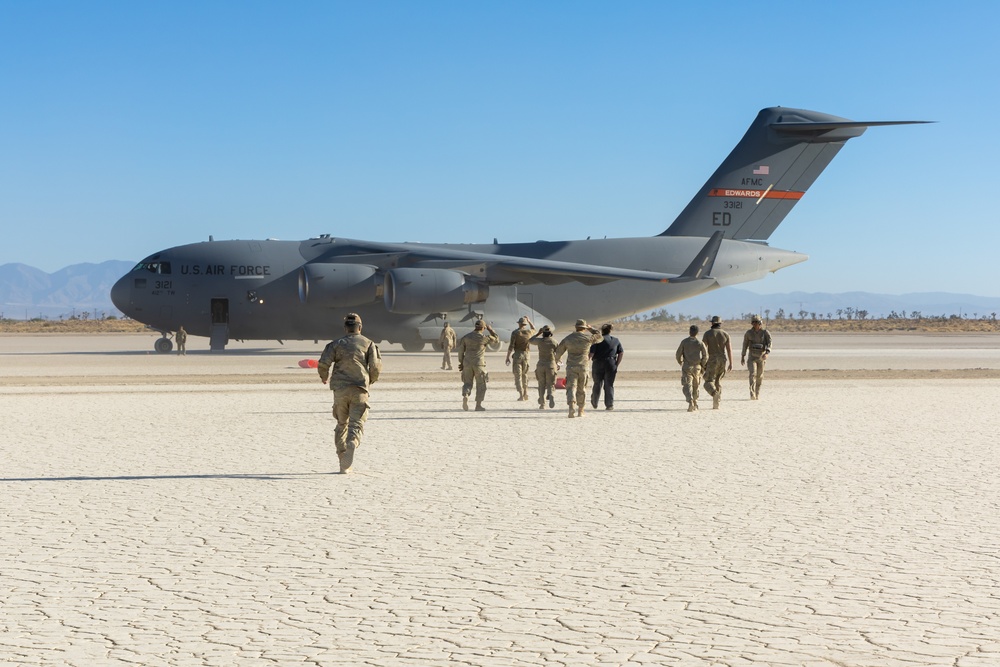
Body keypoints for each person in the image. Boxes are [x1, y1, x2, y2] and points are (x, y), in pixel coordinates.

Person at [317, 312, 382, 474]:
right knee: (356, 423)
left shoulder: (336, 344)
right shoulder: (368, 344)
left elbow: (323, 363)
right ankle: (353, 441)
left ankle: (342, 458)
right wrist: (371, 381)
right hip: (359, 388)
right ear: (360, 327)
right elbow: (375, 366)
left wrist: (324, 377)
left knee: (341, 424)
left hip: (340, 390)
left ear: (346, 328)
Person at [555, 319, 603, 418]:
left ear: (576, 327)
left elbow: (558, 352)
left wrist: (557, 362)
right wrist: (591, 329)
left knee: (571, 387)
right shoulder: (588, 338)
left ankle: (571, 406)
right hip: (583, 366)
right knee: (582, 388)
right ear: (584, 328)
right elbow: (600, 336)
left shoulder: (568, 338)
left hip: (571, 367)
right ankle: (581, 410)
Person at [457, 318, 500, 411]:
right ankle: (478, 405)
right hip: (479, 364)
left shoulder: (466, 337)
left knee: (467, 383)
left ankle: (466, 395)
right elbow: (496, 340)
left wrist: (461, 363)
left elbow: (460, 351)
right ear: (483, 328)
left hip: (467, 363)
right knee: (481, 384)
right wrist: (491, 330)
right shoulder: (484, 338)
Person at [589, 323, 624, 410]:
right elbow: (621, 352)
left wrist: (587, 361)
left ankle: (595, 402)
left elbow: (591, 354)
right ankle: (609, 405)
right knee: (609, 384)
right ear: (610, 330)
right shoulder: (616, 340)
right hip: (611, 363)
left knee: (597, 383)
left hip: (598, 363)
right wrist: (616, 364)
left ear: (602, 330)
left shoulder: (598, 340)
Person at [702, 315, 733, 410]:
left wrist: (703, 362)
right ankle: (717, 403)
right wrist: (731, 363)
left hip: (712, 359)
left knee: (708, 381)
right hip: (722, 359)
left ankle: (715, 394)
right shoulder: (725, 334)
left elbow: (703, 349)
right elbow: (729, 350)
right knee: (718, 381)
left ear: (712, 323)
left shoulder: (707, 334)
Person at [676, 324, 709, 412]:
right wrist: (702, 365)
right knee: (696, 385)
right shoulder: (700, 342)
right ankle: (695, 402)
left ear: (690, 332)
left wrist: (680, 362)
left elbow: (678, 354)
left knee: (687, 385)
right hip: (697, 367)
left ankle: (690, 401)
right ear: (697, 333)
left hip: (687, 366)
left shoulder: (684, 342)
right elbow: (705, 356)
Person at [741, 314, 772, 400]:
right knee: (752, 374)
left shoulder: (765, 333)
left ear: (760, 323)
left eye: (757, 322)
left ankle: (757, 392)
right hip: (752, 357)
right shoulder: (748, 333)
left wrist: (767, 353)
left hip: (761, 357)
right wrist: (743, 356)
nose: (755, 324)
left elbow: (769, 343)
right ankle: (752, 393)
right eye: (753, 323)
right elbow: (745, 345)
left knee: (760, 376)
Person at [504, 316, 535, 400]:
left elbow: (511, 346)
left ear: (519, 324)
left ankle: (521, 395)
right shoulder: (529, 332)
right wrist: (529, 321)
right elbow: (534, 328)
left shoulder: (515, 333)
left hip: (517, 355)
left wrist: (507, 357)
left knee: (518, 376)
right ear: (525, 324)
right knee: (525, 375)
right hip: (527, 355)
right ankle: (526, 392)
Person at [529, 325, 559, 409]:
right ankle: (551, 394)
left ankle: (542, 404)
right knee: (551, 384)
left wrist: (538, 333)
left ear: (543, 333)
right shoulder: (554, 342)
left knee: (541, 384)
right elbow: (558, 353)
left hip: (541, 364)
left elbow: (530, 340)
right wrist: (557, 363)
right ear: (550, 333)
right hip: (551, 364)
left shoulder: (540, 341)